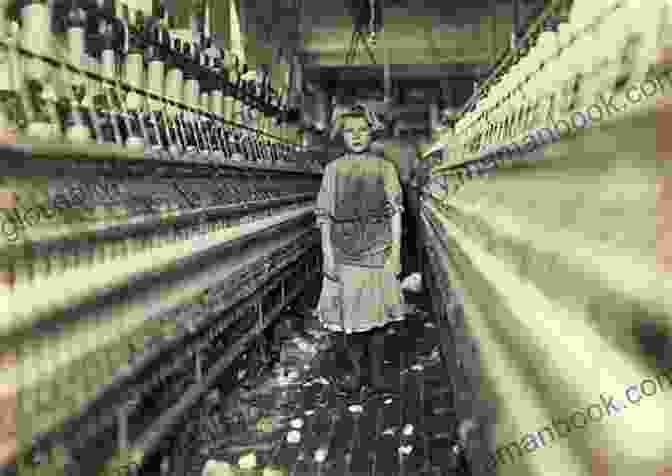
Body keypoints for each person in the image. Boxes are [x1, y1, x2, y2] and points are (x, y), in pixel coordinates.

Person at [314, 104, 405, 395]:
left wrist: (396, 253)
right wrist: (328, 255)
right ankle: (356, 374)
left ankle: (377, 375)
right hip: (345, 254)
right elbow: (324, 216)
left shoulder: (385, 168)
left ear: (372, 133)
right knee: (350, 321)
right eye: (349, 131)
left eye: (362, 130)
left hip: (378, 251)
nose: (356, 136)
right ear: (341, 135)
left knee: (378, 319)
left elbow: (395, 213)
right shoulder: (332, 171)